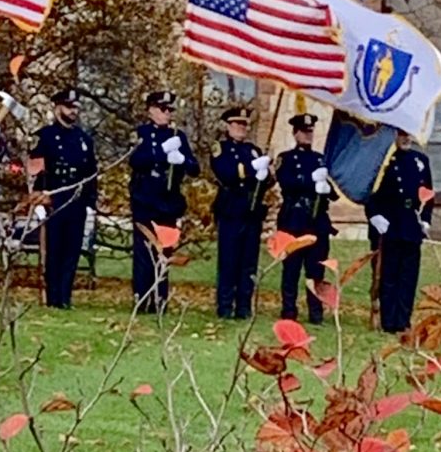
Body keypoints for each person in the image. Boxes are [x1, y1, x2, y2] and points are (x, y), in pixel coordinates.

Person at [129, 88, 199, 314]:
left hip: (168, 202)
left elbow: (194, 168)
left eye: (170, 110)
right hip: (145, 199)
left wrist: (181, 159)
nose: (167, 113)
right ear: (151, 110)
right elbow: (135, 160)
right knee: (143, 252)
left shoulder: (178, 135)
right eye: (162, 109)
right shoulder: (141, 133)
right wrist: (160, 152)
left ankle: (160, 299)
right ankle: (141, 297)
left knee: (164, 252)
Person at [29, 88, 98, 310]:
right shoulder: (45, 136)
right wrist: (38, 199)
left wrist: (91, 202)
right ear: (57, 107)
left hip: (76, 201)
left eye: (76, 107)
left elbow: (91, 173)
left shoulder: (83, 139)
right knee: (54, 251)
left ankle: (66, 297)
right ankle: (53, 297)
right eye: (69, 107)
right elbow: (36, 170)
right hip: (53, 200)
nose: (73, 112)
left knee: (71, 251)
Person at [367, 130, 434, 334]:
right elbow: (369, 191)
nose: (406, 138)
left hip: (411, 224)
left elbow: (428, 194)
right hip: (390, 223)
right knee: (389, 275)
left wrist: (426, 219)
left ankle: (403, 320)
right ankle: (389, 320)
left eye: (409, 135)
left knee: (408, 276)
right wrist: (374, 215)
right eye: (402, 134)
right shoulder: (383, 160)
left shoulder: (420, 160)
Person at [210, 105, 268, 319]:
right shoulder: (221, 148)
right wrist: (254, 170)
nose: (241, 128)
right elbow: (226, 173)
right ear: (227, 126)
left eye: (244, 124)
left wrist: (265, 176)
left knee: (248, 262)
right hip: (231, 209)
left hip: (251, 211)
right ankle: (225, 306)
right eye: (237, 124)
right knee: (229, 260)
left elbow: (265, 182)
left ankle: (244, 306)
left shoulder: (253, 150)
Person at [274, 112, 332, 324]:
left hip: (316, 222)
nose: (308, 136)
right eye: (304, 132)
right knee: (291, 269)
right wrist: (311, 181)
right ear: (295, 133)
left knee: (316, 269)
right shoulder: (286, 158)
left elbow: (332, 192)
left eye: (310, 132)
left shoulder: (319, 159)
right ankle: (289, 310)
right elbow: (287, 183)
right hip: (294, 220)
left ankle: (315, 312)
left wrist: (325, 186)